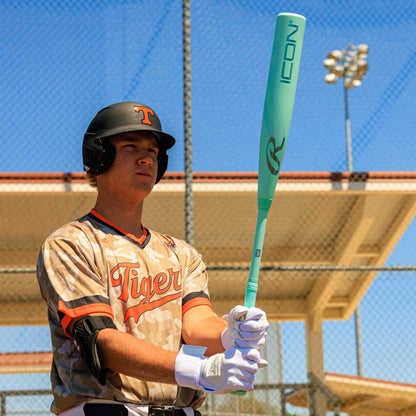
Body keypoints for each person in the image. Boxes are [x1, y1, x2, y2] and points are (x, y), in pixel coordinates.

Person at [36, 102, 269, 416]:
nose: (146, 157)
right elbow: (102, 342)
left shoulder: (182, 253)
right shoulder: (71, 244)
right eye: (130, 146)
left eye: (153, 150)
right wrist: (198, 370)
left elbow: (197, 324)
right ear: (98, 156)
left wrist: (229, 334)